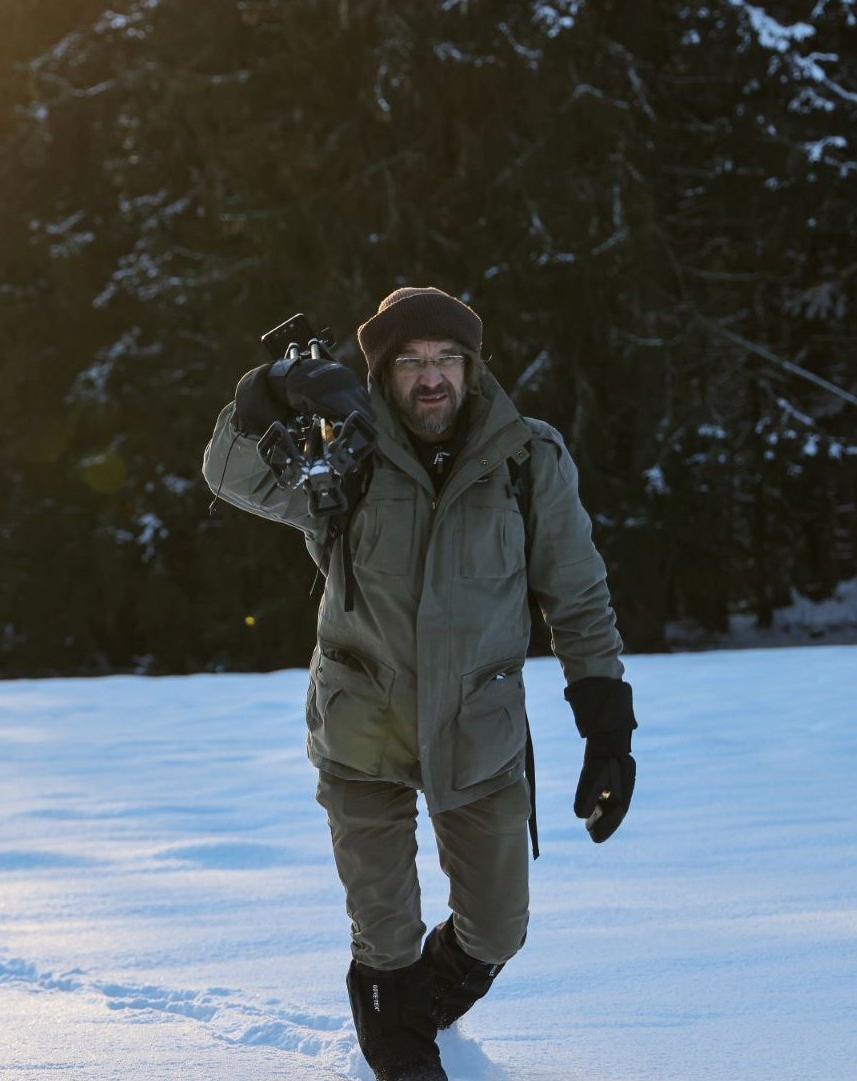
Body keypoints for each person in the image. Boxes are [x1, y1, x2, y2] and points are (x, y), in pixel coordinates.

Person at [200, 287, 639, 1080]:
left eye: (446, 359)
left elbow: (576, 596)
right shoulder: (340, 454)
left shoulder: (529, 460)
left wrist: (608, 729)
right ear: (382, 373)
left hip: (479, 729)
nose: (430, 378)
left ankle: (408, 1011)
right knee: (386, 934)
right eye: (410, 362)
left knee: (498, 930)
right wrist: (262, 395)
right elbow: (228, 474)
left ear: (473, 368)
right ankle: (401, 1046)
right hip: (362, 726)